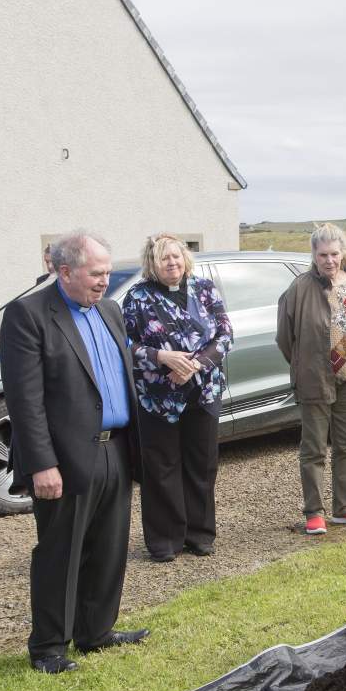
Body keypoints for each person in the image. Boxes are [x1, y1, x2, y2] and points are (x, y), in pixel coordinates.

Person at [0, 231, 149, 674]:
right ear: (64, 271)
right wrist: (42, 464)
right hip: (63, 460)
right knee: (60, 553)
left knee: (109, 546)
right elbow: (25, 401)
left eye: (107, 272)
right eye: (96, 273)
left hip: (116, 449)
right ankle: (48, 648)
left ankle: (95, 632)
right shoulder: (28, 315)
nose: (105, 281)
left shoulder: (110, 310)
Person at [122, 235, 233, 562]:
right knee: (162, 468)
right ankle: (165, 541)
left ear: (185, 258)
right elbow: (125, 344)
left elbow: (225, 334)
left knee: (202, 465)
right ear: (152, 264)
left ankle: (199, 535)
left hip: (203, 391)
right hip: (158, 397)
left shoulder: (205, 289)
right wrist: (162, 357)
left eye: (176, 256)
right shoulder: (137, 297)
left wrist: (195, 365)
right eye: (163, 258)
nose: (171, 262)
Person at [276, 223, 346, 535]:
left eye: (334, 254)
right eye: (323, 255)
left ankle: (343, 508)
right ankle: (314, 512)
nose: (329, 260)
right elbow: (284, 338)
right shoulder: (300, 288)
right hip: (315, 378)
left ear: (342, 252)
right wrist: (304, 365)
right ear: (314, 255)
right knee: (314, 449)